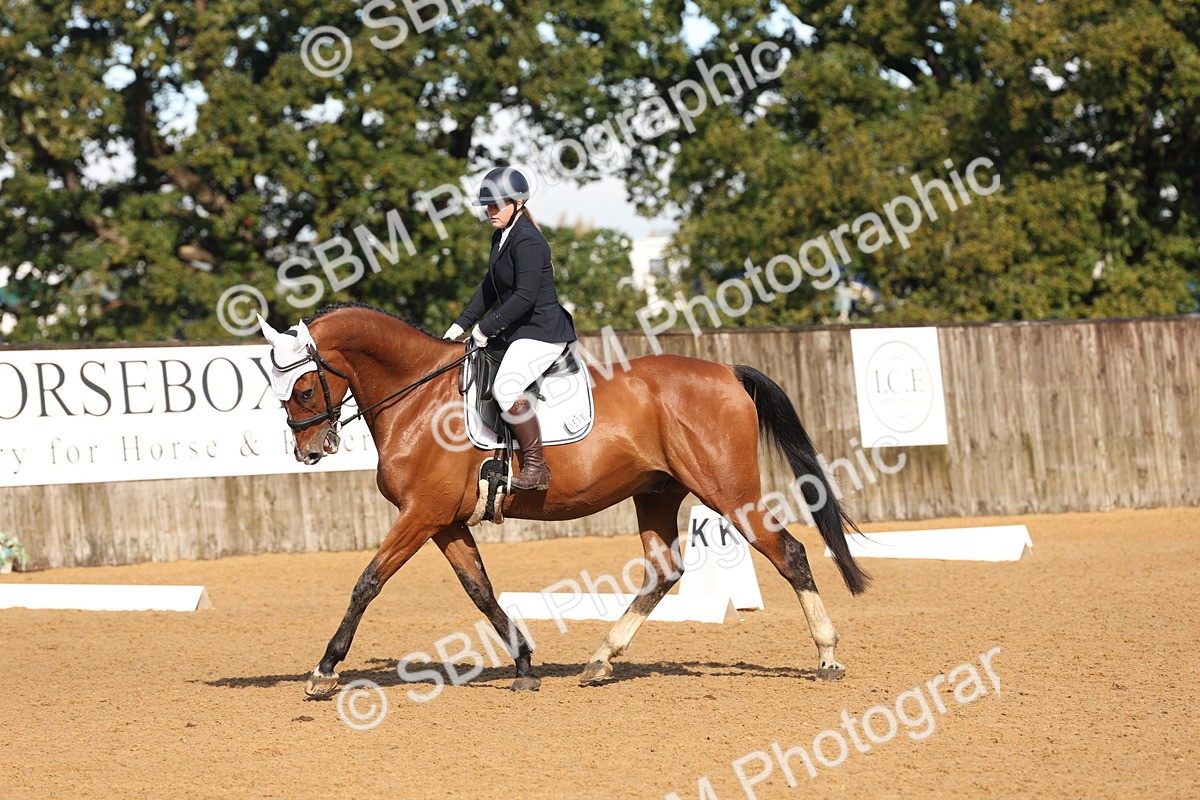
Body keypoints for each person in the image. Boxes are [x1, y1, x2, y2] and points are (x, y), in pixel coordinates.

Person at [443, 167, 577, 490]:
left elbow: (525, 297)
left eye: (497, 205)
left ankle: (536, 468)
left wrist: (485, 328)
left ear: (517, 203)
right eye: (487, 206)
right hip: (518, 332)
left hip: (542, 332)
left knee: (504, 388)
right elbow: (489, 288)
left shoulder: (528, 240)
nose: (491, 211)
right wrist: (458, 326)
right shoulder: (502, 236)